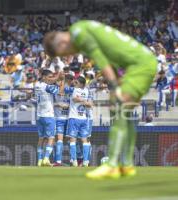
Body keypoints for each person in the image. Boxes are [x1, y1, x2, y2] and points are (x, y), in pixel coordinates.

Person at [43, 20, 157, 179]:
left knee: (118, 107)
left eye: (65, 53)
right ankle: (126, 164)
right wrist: (119, 79)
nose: (70, 55)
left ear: (61, 44)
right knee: (125, 112)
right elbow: (111, 55)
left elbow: (102, 62)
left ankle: (112, 165)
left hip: (139, 65)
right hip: (139, 62)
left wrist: (115, 86)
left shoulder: (78, 34)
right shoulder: (81, 28)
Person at [63, 76, 92, 167]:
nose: (74, 84)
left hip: (74, 118)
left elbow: (74, 98)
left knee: (73, 139)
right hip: (83, 118)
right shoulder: (87, 91)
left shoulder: (75, 90)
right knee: (84, 140)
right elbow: (90, 104)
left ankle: (74, 160)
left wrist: (80, 99)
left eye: (76, 82)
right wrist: (84, 101)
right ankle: (86, 161)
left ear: (81, 84)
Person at [35, 70, 59, 167]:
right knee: (51, 138)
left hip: (39, 116)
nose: (50, 78)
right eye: (49, 77)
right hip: (48, 115)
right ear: (44, 77)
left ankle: (39, 160)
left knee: (41, 138)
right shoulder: (46, 86)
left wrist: (55, 79)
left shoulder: (37, 85)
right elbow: (59, 91)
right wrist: (59, 79)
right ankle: (46, 158)